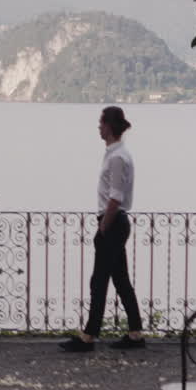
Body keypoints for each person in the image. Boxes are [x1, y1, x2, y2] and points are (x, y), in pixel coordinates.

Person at [60, 106, 145, 352]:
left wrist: (102, 229)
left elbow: (115, 197)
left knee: (99, 281)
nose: (98, 127)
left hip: (113, 222)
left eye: (100, 123)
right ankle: (135, 333)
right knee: (120, 280)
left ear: (108, 126)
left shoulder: (117, 157)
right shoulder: (116, 153)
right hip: (116, 222)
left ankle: (88, 336)